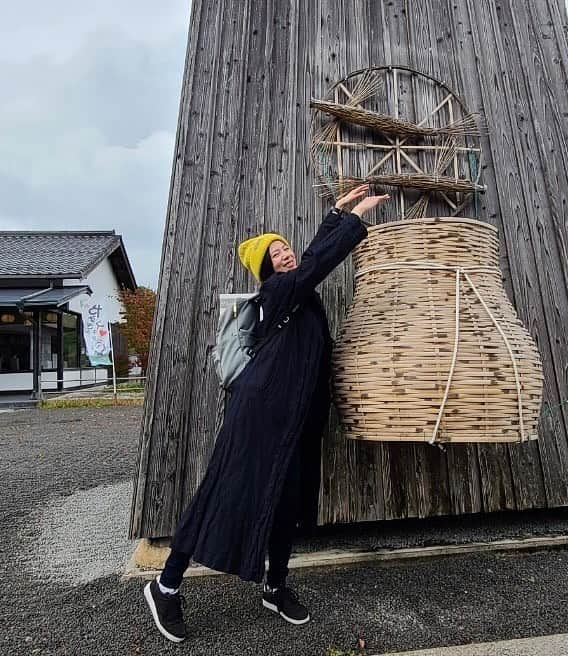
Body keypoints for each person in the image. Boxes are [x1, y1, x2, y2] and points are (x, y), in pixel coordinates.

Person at [144, 184, 390, 643]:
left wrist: (334, 215)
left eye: (286, 247)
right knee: (218, 494)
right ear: (265, 269)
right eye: (275, 252)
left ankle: (275, 588)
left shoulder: (303, 296)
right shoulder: (277, 293)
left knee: (287, 504)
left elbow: (311, 260)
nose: (285, 254)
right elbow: (315, 264)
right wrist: (354, 221)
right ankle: (165, 585)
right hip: (257, 416)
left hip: (294, 423)